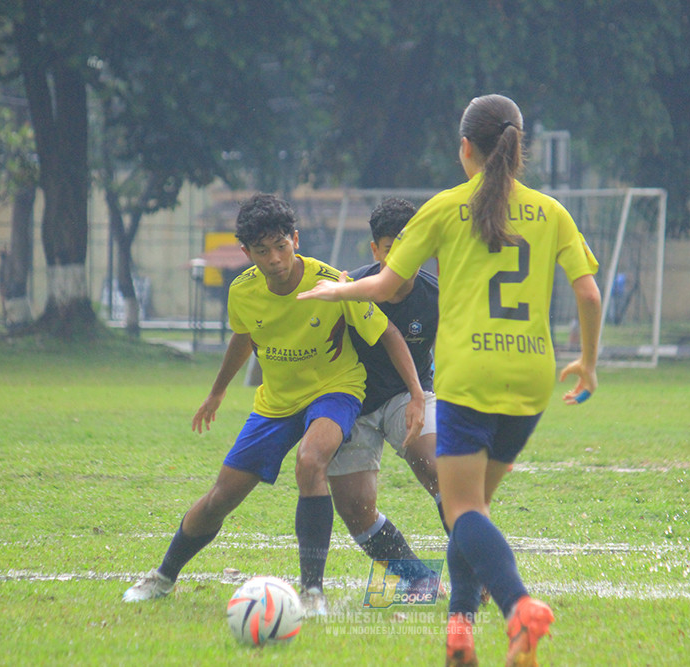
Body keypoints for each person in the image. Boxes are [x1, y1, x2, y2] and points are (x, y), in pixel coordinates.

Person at [298, 94, 602, 667]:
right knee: (473, 506)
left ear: (465, 147)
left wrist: (336, 288)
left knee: (463, 510)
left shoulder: (443, 208)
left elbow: (387, 286)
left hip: (469, 377)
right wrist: (587, 362)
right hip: (532, 378)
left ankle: (518, 610)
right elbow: (588, 292)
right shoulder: (551, 210)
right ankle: (460, 631)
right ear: (518, 146)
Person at [123, 193, 426, 618]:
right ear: (247, 253)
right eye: (262, 251)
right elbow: (244, 337)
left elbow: (389, 332)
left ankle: (312, 593)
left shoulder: (330, 283)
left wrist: (416, 393)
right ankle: (163, 576)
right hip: (276, 402)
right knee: (221, 498)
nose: (275, 260)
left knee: (311, 460)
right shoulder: (243, 292)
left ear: (295, 240)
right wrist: (217, 392)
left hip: (335, 389)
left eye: (281, 246)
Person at [326, 197, 445, 590]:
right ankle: (419, 578)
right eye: (391, 248)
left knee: (442, 471)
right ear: (375, 250)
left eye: (411, 246)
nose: (403, 258)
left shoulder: (436, 297)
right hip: (353, 403)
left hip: (408, 397)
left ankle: (475, 571)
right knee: (355, 509)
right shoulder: (351, 288)